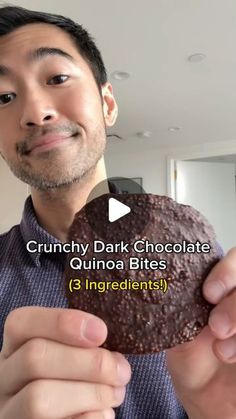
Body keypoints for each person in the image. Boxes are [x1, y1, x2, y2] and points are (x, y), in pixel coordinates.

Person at [0, 5, 235, 419]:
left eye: (57, 78)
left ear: (108, 103)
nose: (35, 112)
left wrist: (218, 409)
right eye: (3, 97)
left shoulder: (200, 265)